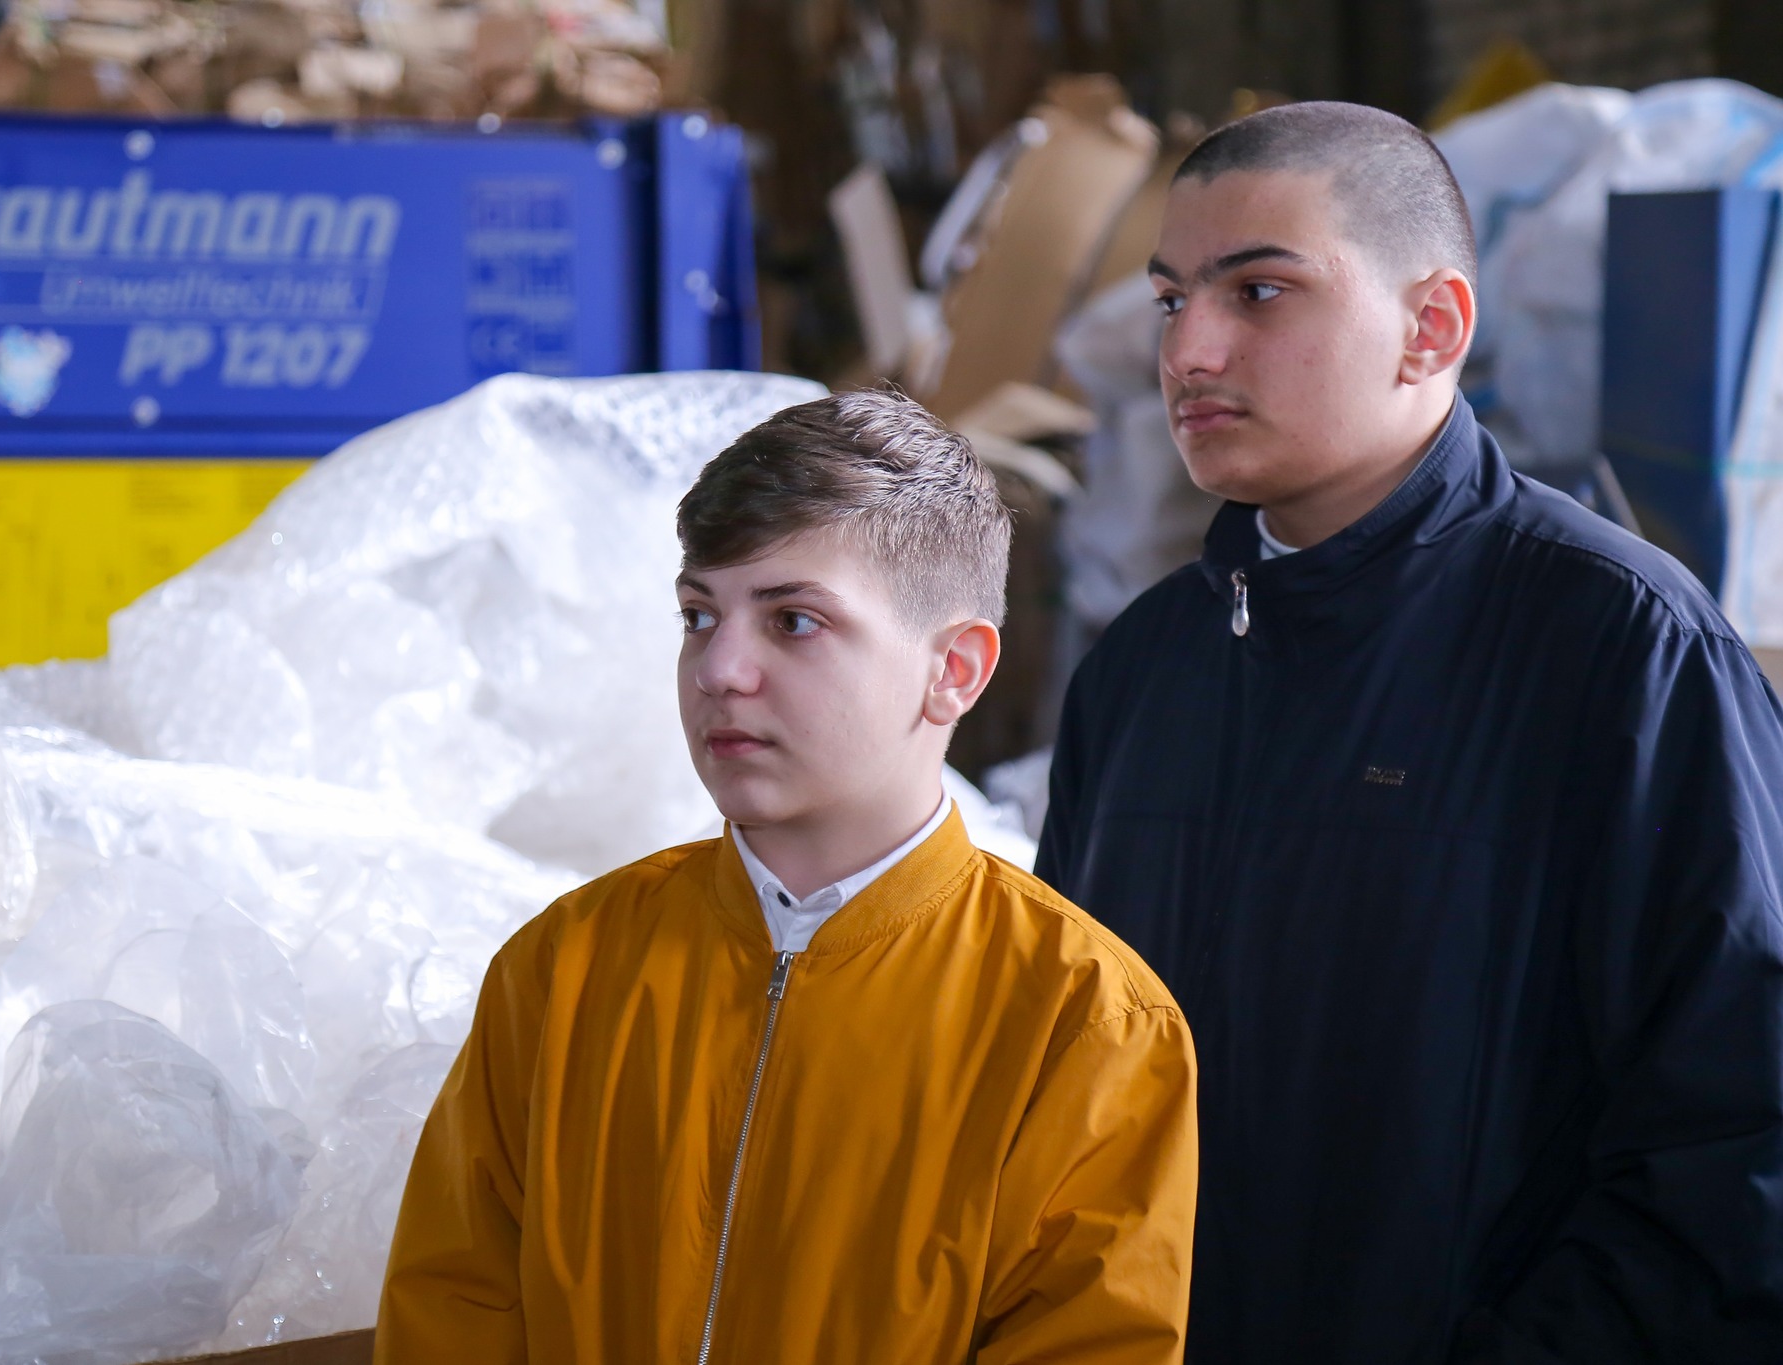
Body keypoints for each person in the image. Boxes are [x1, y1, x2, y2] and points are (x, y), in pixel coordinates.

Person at [1037, 99, 1783, 1363]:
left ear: (1429, 326)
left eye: (1257, 292)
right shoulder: (1141, 672)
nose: (1188, 351)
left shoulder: (1617, 649)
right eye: (1169, 300)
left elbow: (1737, 1140)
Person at [376, 391, 1198, 1364]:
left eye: (794, 621)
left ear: (955, 669)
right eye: (698, 615)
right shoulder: (563, 971)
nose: (719, 669)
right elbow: (449, 1319)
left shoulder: (1086, 1027)